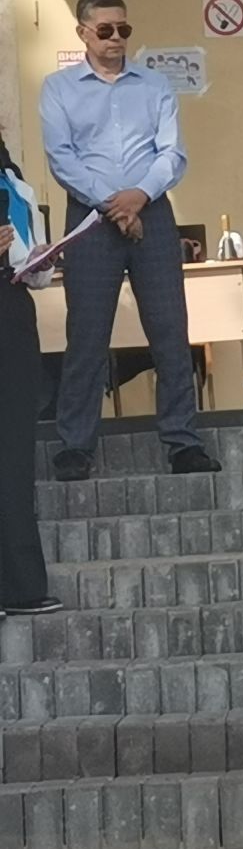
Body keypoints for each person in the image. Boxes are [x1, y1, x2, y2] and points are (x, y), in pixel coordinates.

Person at [39, 0, 221, 482]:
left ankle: (183, 442)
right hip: (90, 217)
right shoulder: (58, 88)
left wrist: (138, 197)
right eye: (105, 30)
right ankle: (75, 446)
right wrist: (114, 204)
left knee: (170, 330)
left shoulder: (155, 84)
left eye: (124, 29)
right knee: (87, 335)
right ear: (83, 33)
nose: (116, 38)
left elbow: (172, 153)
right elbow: (61, 158)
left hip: (152, 211)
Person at [0, 135, 63, 620]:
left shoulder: (13, 179)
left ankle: (20, 585)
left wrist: (41, 260)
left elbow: (29, 268)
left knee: (14, 453)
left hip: (12, 312)